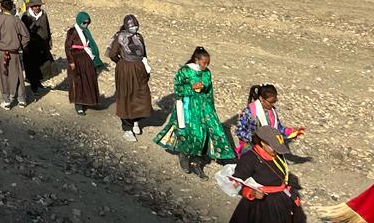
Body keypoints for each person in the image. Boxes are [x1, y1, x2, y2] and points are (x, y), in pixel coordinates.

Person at [154, 46, 235, 177]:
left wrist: (211, 107)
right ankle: (185, 155)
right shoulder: (185, 71)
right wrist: (191, 88)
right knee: (189, 131)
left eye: (208, 63)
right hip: (187, 105)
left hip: (204, 106)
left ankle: (197, 161)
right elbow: (178, 88)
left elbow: (209, 91)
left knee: (207, 131)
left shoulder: (207, 73)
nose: (206, 65)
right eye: (204, 63)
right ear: (197, 60)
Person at [228, 125, 306, 222]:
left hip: (280, 201)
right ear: (262, 143)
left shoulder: (277, 155)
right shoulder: (250, 158)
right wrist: (252, 193)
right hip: (259, 206)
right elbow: (235, 182)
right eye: (273, 147)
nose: (277, 151)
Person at [106, 14, 153, 142]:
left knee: (140, 94)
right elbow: (112, 54)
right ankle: (127, 128)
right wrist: (122, 63)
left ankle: (136, 120)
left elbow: (144, 53)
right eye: (132, 25)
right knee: (127, 96)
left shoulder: (139, 37)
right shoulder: (120, 37)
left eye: (136, 25)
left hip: (139, 68)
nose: (134, 27)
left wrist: (145, 66)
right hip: (125, 70)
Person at [234, 84, 304, 156]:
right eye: (271, 102)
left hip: (269, 149)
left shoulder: (272, 111)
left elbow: (278, 129)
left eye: (275, 101)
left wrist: (290, 132)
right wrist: (254, 138)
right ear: (261, 99)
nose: (273, 104)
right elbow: (239, 131)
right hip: (252, 148)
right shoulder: (249, 112)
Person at [0, 0, 30, 109]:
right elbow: (26, 36)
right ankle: (21, 100)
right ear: (12, 8)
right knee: (18, 76)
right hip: (14, 53)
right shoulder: (16, 20)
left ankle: (6, 101)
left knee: (3, 76)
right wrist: (20, 46)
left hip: (0, 52)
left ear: (2, 7)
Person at [65, 11, 103, 115]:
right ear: (79, 21)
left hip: (86, 59)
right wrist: (71, 61)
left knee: (89, 80)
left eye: (87, 23)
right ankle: (78, 104)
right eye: (84, 23)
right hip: (76, 59)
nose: (85, 25)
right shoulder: (72, 32)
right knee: (78, 82)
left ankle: (88, 101)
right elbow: (68, 47)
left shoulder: (86, 31)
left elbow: (90, 44)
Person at [21, 0, 52, 95]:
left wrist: (49, 42)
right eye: (35, 6)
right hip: (30, 45)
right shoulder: (25, 16)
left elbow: (47, 28)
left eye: (38, 5)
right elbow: (22, 31)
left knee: (42, 65)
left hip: (42, 45)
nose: (37, 7)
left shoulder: (43, 15)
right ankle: (34, 88)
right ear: (31, 6)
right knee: (31, 66)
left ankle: (38, 82)